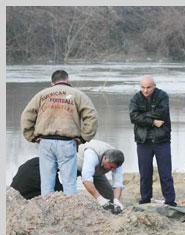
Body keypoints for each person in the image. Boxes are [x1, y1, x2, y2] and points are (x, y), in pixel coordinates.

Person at [20, 69, 98, 197]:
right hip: (67, 143)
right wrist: (83, 138)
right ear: (68, 80)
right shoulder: (77, 95)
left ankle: (47, 211)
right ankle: (70, 213)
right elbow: (92, 117)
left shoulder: (42, 95)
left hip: (45, 142)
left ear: (52, 83)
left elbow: (26, 116)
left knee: (46, 182)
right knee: (69, 182)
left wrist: (32, 137)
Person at [10, 140, 125, 215]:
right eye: (110, 167)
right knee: (64, 193)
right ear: (104, 158)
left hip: (96, 171)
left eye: (113, 168)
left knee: (110, 197)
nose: (111, 170)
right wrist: (99, 198)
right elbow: (86, 179)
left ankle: (113, 210)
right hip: (74, 164)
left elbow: (118, 183)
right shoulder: (92, 154)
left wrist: (116, 200)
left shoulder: (116, 160)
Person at [129, 75, 176, 206]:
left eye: (148, 87)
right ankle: (145, 199)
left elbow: (162, 113)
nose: (145, 90)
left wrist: (143, 116)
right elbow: (133, 117)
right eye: (143, 87)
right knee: (145, 173)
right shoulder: (136, 98)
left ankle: (170, 201)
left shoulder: (162, 96)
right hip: (143, 141)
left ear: (154, 86)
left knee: (165, 173)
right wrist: (153, 121)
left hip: (162, 140)